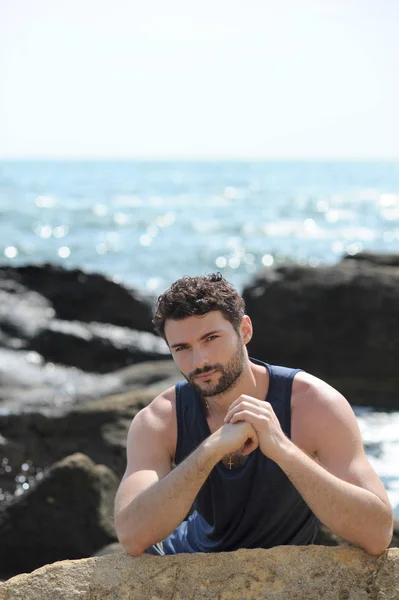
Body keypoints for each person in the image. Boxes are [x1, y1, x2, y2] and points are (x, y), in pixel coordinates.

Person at [114, 273, 393, 557]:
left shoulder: (313, 404)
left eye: (211, 338)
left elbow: (377, 534)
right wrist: (210, 450)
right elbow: (132, 536)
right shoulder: (161, 418)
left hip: (284, 573)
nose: (200, 361)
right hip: (186, 561)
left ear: (244, 330)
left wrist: (282, 448)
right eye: (182, 348)